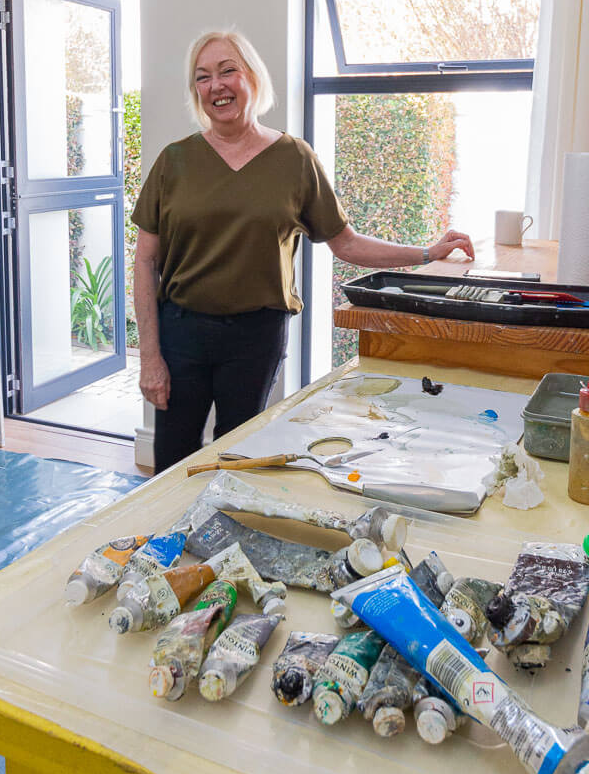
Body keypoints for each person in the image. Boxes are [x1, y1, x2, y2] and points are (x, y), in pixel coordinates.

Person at [132, 29, 473, 474]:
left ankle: (223, 543)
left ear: (251, 77)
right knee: (173, 463)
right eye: (202, 77)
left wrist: (426, 253)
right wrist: (150, 357)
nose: (216, 85)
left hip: (254, 337)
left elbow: (346, 242)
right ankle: (164, 542)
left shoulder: (295, 159)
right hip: (182, 333)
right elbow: (144, 261)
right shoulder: (174, 161)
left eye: (227, 70)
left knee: (239, 460)